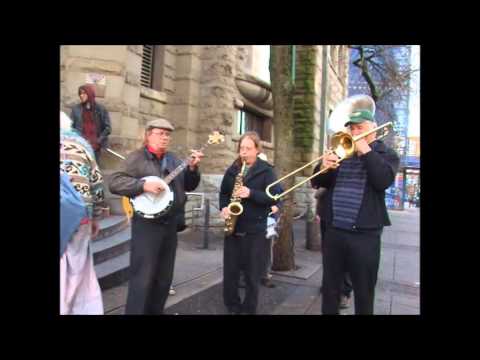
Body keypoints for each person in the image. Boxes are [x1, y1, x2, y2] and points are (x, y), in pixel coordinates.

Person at [108, 118, 203, 314]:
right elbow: (115, 183)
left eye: (167, 134)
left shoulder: (175, 160)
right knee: (142, 277)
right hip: (147, 226)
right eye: (160, 133)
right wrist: (142, 185)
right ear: (148, 135)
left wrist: (193, 169)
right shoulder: (136, 158)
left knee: (163, 279)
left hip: (170, 225)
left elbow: (189, 185)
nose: (164, 138)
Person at [310, 109, 400, 315]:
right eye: (352, 128)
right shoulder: (342, 152)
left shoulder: (387, 154)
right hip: (334, 230)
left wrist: (365, 151)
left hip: (365, 235)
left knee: (364, 290)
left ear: (373, 130)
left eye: (360, 128)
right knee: (330, 288)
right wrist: (323, 166)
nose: (354, 131)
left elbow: (382, 181)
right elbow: (317, 182)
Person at [219, 132, 279, 314]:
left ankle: (249, 308)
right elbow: (223, 193)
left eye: (248, 149)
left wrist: (251, 193)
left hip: (255, 230)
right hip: (234, 227)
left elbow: (275, 196)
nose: (243, 152)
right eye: (241, 148)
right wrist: (223, 208)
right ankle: (232, 306)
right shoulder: (233, 169)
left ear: (257, 150)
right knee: (230, 273)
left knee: (252, 275)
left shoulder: (267, 171)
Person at [60, 111, 106, 315]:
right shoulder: (83, 145)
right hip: (81, 216)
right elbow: (97, 183)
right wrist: (97, 215)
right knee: (79, 267)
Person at [314, 187, 353, 309]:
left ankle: (344, 292)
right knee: (328, 254)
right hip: (326, 213)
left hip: (346, 214)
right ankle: (329, 285)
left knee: (346, 256)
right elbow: (317, 184)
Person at [71, 84, 112, 161]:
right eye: (80, 93)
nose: (81, 95)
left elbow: (108, 128)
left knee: (94, 169)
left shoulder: (100, 109)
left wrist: (98, 140)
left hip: (95, 146)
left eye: (84, 93)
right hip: (81, 144)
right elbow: (71, 127)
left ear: (90, 94)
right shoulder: (76, 109)